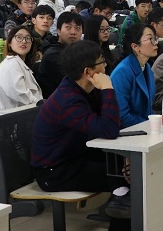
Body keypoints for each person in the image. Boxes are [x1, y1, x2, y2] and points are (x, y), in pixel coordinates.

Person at [31, 40, 131, 222]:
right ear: (88, 72)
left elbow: (115, 124)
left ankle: (119, 199)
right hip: (55, 172)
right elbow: (108, 130)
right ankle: (120, 203)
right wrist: (108, 88)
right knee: (127, 179)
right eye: (102, 62)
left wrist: (127, 156)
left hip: (76, 157)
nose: (106, 66)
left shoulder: (86, 89)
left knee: (131, 170)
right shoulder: (68, 100)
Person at [110, 24, 157, 128]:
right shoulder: (122, 72)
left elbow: (149, 108)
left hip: (143, 126)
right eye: (150, 39)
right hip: (127, 131)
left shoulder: (147, 67)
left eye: (155, 38)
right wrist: (148, 125)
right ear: (135, 47)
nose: (155, 43)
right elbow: (122, 115)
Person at [37, 12, 84, 98]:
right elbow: (74, 84)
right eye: (68, 27)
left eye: (77, 28)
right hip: (58, 101)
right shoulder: (53, 55)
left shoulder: (78, 51)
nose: (73, 32)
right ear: (58, 31)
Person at [0, 25, 42, 111]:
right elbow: (22, 96)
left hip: (30, 111)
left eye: (28, 38)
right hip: (17, 116)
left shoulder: (19, 63)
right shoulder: (10, 65)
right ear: (9, 43)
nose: (24, 41)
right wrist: (44, 106)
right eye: (19, 37)